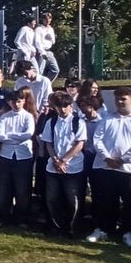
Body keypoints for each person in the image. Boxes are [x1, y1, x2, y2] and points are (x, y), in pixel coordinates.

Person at [86, 88, 131, 247]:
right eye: (117, 99)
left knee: (129, 201)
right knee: (105, 200)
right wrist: (107, 158)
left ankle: (128, 231)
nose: (119, 102)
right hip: (105, 166)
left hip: (129, 169)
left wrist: (122, 160)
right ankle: (104, 228)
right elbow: (97, 139)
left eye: (123, 99)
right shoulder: (107, 118)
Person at [40, 92, 87, 237]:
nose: (63, 109)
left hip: (73, 167)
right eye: (59, 106)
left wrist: (64, 160)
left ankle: (72, 228)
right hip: (53, 167)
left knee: (73, 200)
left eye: (65, 106)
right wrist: (55, 160)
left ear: (70, 105)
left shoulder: (78, 122)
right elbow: (48, 143)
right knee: (52, 198)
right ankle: (56, 227)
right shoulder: (51, 122)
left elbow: (79, 144)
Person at [0, 87, 37, 226]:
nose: (16, 104)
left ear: (23, 101)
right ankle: (2, 216)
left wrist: (10, 136)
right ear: (9, 102)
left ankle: (21, 218)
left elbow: (28, 134)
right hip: (5, 156)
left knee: (22, 189)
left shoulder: (28, 116)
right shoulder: (4, 117)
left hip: (23, 157)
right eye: (13, 102)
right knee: (3, 188)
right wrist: (17, 137)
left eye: (19, 101)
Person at [36, 13, 59, 78]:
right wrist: (42, 52)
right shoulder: (39, 29)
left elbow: (53, 42)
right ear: (43, 20)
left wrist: (51, 38)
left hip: (49, 51)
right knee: (40, 71)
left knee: (55, 70)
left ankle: (47, 82)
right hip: (42, 51)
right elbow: (37, 42)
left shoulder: (51, 29)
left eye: (49, 19)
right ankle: (37, 83)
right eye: (46, 19)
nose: (48, 20)